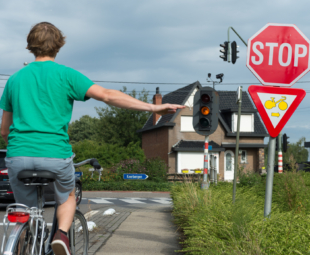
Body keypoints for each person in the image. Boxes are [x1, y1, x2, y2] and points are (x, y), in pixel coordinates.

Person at [0, 22, 185, 255]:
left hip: (18, 155)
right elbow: (107, 96)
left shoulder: (14, 80)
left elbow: (4, 130)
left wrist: (19, 150)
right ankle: (62, 236)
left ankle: (27, 237)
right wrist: (152, 108)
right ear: (58, 46)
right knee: (68, 196)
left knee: (27, 212)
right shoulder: (66, 75)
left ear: (30, 46)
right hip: (55, 154)